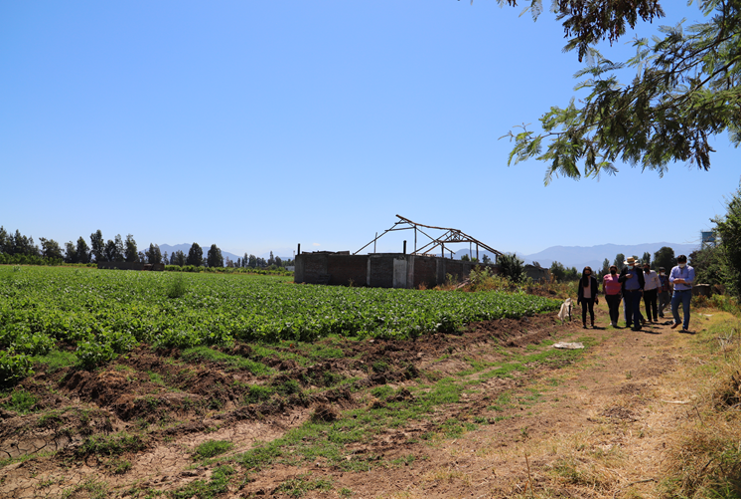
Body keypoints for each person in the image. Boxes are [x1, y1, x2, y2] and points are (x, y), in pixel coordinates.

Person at [670, 255, 695, 332]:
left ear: (686, 262)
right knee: (673, 308)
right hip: (676, 291)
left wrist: (679, 280)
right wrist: (684, 281)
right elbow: (671, 279)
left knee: (686, 309)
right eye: (680, 262)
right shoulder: (674, 269)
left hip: (686, 292)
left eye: (682, 262)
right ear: (677, 262)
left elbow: (690, 279)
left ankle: (685, 327)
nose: (681, 264)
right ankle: (677, 320)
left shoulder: (690, 269)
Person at [619, 256, 645, 331]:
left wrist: (641, 289)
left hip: (636, 291)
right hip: (627, 292)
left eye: (631, 263)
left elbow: (642, 280)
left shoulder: (638, 270)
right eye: (629, 264)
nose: (630, 265)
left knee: (635, 308)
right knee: (628, 308)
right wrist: (625, 276)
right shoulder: (624, 270)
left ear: (634, 263)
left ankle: (636, 324)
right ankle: (628, 323)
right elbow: (619, 279)